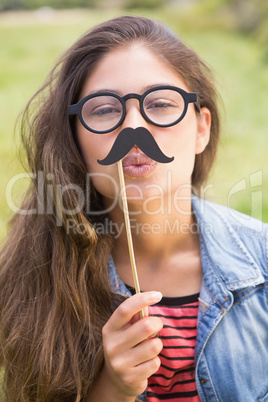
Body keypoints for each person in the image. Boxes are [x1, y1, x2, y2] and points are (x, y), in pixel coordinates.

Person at [0, 15, 267, 402]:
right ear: (74, 139)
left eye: (159, 104)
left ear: (201, 128)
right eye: (105, 110)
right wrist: (111, 390)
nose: (133, 128)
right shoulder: (35, 276)